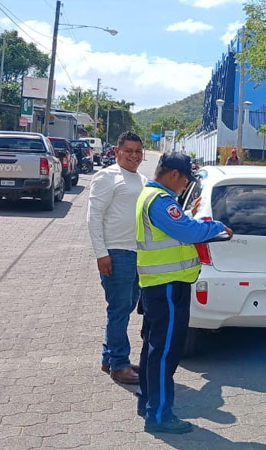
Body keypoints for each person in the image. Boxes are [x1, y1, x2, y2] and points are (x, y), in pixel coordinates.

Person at [135, 152, 232, 434]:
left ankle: (148, 403)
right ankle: (161, 416)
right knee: (165, 352)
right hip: (168, 286)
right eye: (185, 178)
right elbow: (187, 233)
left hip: (159, 285)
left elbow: (174, 228)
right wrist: (218, 229)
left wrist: (187, 214)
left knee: (153, 348)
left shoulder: (151, 197)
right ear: (174, 175)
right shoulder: (161, 201)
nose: (185, 184)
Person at [87, 131, 147, 385]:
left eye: (138, 151)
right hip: (116, 254)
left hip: (138, 254)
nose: (134, 156)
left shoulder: (142, 179)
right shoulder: (106, 176)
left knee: (127, 306)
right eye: (129, 151)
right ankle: (119, 365)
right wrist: (102, 254)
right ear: (117, 151)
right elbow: (93, 217)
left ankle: (110, 358)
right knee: (119, 310)